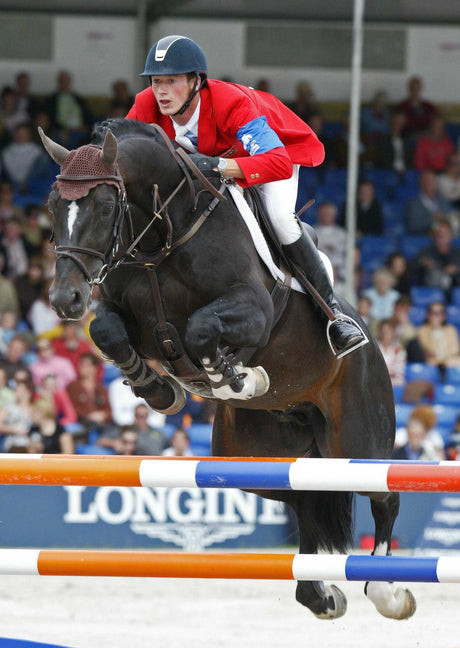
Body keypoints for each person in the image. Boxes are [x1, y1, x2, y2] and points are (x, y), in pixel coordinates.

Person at [126, 35, 367, 368]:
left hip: (270, 156)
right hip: (209, 166)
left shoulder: (230, 102)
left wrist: (222, 166)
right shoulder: (145, 106)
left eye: (171, 81)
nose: (161, 91)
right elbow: (121, 158)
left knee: (280, 218)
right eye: (156, 81)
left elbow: (277, 162)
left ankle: (333, 314)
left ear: (196, 81)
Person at [410, 219, 460, 294]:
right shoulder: (426, 252)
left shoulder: (457, 253)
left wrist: (456, 269)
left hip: (454, 288)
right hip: (432, 289)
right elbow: (413, 264)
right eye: (439, 234)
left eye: (445, 234)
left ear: (450, 237)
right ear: (434, 236)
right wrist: (423, 262)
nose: (442, 237)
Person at [404, 170, 452, 236]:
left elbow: (450, 218)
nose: (431, 184)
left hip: (444, 239)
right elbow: (412, 226)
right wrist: (431, 218)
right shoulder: (413, 204)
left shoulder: (443, 202)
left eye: (433, 181)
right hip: (423, 238)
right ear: (421, 184)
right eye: (428, 181)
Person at [417, 300, 460, 371]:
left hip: (450, 362)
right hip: (432, 363)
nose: (436, 316)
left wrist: (445, 360)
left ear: (444, 315)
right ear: (428, 315)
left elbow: (455, 350)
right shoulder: (422, 330)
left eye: (440, 313)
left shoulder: (450, 329)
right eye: (433, 313)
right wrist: (435, 328)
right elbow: (429, 349)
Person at [313, 201, 347, 285]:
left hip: (338, 270)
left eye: (328, 213)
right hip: (318, 268)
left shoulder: (342, 233)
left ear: (334, 215)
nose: (326, 216)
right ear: (318, 215)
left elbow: (345, 252)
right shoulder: (312, 231)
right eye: (324, 213)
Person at [376, 319, 407, 387]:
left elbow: (399, 372)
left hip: (394, 383)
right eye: (383, 330)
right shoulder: (374, 348)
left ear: (393, 333)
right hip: (376, 382)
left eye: (388, 331)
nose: (385, 333)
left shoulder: (399, 350)